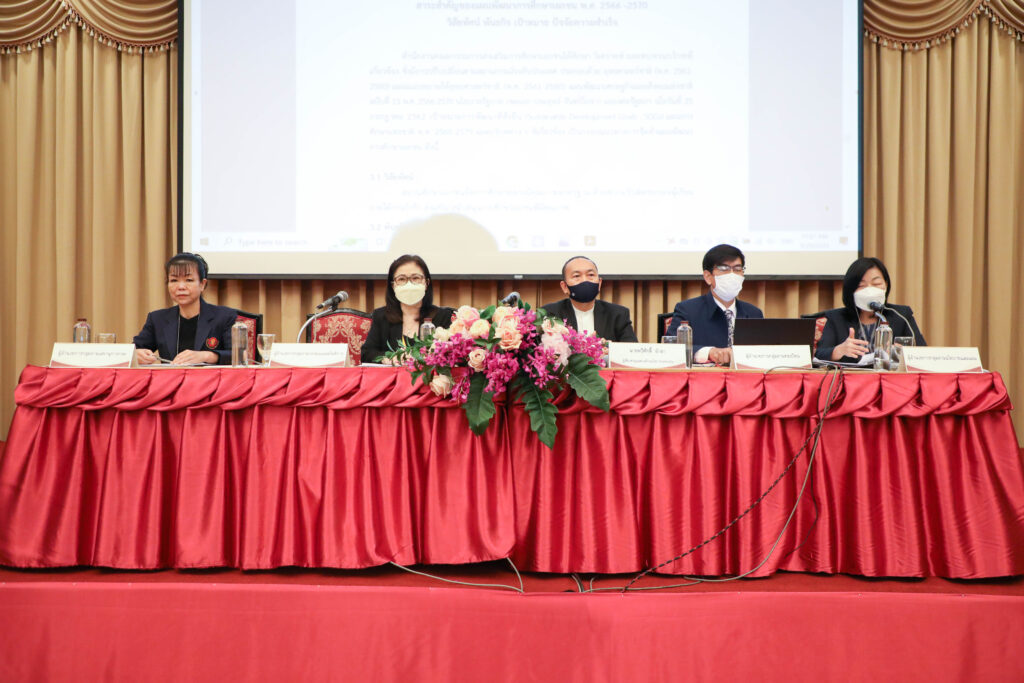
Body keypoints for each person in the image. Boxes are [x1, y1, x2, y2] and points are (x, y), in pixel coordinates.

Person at [814, 256, 926, 362]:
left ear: (886, 285)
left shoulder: (901, 315)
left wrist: (904, 353)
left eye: (876, 283)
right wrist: (839, 350)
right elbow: (819, 355)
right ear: (850, 290)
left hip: (889, 375)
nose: (869, 291)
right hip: (851, 375)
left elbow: (923, 352)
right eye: (861, 286)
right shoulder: (836, 318)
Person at [666, 244, 764, 366]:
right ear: (708, 277)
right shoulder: (688, 310)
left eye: (737, 269)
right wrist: (709, 352)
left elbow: (762, 353)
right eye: (724, 269)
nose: (732, 275)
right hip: (706, 376)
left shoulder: (754, 313)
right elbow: (671, 349)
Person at [133, 253, 237, 365]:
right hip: (171, 376)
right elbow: (132, 350)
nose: (181, 287)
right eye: (174, 280)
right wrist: (136, 354)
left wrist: (206, 356)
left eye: (189, 280)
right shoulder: (157, 319)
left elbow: (239, 355)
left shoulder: (224, 316)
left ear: (202, 284)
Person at [361, 254, 456, 364]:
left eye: (415, 278)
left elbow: (451, 355)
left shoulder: (443, 316)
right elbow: (367, 353)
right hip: (394, 374)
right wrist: (388, 359)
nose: (409, 284)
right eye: (401, 279)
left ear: (427, 283)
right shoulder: (381, 316)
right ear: (393, 285)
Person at [540, 256, 638, 342]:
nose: (585, 280)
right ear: (564, 286)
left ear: (599, 283)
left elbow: (630, 350)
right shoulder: (550, 313)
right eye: (576, 276)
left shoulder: (618, 314)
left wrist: (610, 350)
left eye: (590, 275)